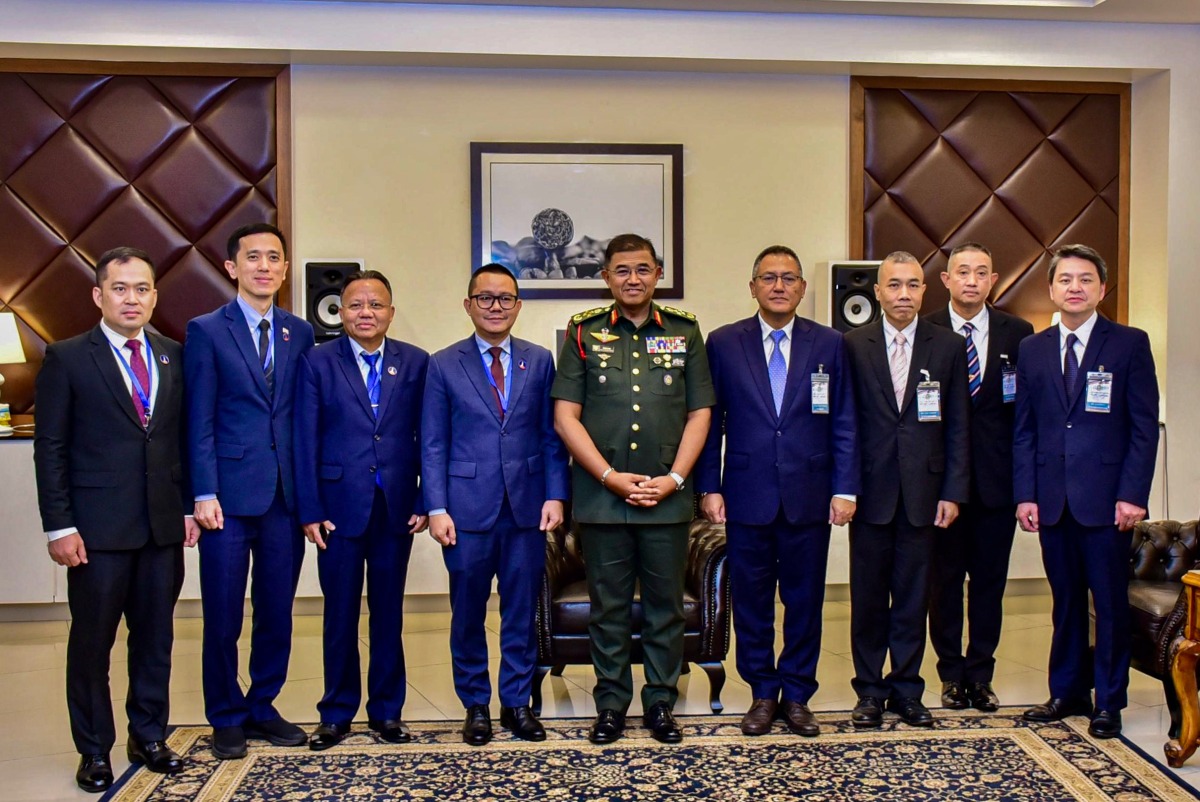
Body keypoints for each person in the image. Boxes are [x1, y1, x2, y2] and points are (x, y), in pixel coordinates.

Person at [33, 247, 199, 793]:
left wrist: (188, 506)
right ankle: (94, 749)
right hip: (96, 531)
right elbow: (50, 447)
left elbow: (180, 441)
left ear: (155, 295)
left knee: (154, 640)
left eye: (143, 288)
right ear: (99, 295)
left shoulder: (173, 354)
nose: (133, 298)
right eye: (122, 288)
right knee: (92, 645)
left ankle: (148, 736)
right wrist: (59, 526)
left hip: (160, 528)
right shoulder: (68, 357)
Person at [552, 234, 715, 745]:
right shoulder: (583, 332)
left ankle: (662, 702)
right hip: (602, 501)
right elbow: (565, 417)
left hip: (666, 502)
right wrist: (607, 476)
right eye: (621, 270)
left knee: (665, 606)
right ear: (605, 277)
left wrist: (674, 480)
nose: (633, 279)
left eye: (643, 269)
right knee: (610, 607)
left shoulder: (686, 332)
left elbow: (700, 413)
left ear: (658, 274)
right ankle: (611, 705)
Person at [696, 245, 859, 737]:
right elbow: (709, 421)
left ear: (803, 289)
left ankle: (798, 694)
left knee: (805, 601)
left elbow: (845, 420)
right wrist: (709, 486)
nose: (780, 286)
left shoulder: (830, 343)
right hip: (746, 494)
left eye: (789, 278)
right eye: (769, 278)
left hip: (810, 494)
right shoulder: (724, 343)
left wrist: (845, 487)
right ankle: (762, 693)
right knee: (751, 602)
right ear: (753, 287)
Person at [1015, 244, 1159, 739]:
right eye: (1065, 280)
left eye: (1085, 280)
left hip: (1106, 499)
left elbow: (1143, 427)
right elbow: (1025, 429)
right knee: (1066, 600)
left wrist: (1133, 494)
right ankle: (1067, 691)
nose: (1074, 287)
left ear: (1101, 288)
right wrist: (1026, 494)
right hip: (1051, 499)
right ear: (1051, 288)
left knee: (1110, 603)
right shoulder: (1033, 348)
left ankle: (1108, 700)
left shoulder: (1128, 344)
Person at [422, 263, 569, 745]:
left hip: (527, 507)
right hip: (465, 510)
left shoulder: (540, 359)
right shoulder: (443, 363)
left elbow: (551, 437)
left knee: (521, 611)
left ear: (518, 305)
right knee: (467, 612)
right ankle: (475, 705)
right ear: (468, 305)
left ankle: (516, 703)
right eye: (485, 298)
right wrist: (437, 507)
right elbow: (434, 443)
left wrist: (555, 494)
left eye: (505, 298)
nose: (495, 307)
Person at [184, 223, 316, 759]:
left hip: (284, 498)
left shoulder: (300, 332)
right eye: (253, 257)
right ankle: (226, 714)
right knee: (222, 612)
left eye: (274, 258)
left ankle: (263, 703)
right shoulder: (206, 330)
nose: (264, 266)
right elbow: (199, 420)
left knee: (276, 609)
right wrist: (203, 492)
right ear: (231, 267)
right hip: (227, 499)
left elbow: (304, 420)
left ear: (285, 269)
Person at [293, 270, 429, 749]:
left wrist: (424, 498)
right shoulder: (316, 362)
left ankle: (387, 712)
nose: (365, 313)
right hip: (337, 509)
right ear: (340, 312)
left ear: (391, 311)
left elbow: (426, 439)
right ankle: (336, 712)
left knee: (388, 613)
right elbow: (303, 439)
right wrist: (309, 509)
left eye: (375, 305)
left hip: (395, 509)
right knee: (340, 614)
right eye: (355, 305)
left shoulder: (415, 363)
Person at [843, 250, 970, 729]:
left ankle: (908, 690)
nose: (903, 294)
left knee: (915, 596)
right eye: (893, 285)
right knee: (869, 598)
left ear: (925, 290)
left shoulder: (948, 346)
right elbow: (845, 424)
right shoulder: (852, 344)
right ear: (877, 292)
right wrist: (845, 488)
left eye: (912, 285)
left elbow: (958, 425)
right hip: (870, 493)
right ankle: (869, 691)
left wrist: (953, 491)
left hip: (926, 491)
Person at [925, 243, 1034, 712]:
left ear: (994, 281)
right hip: (940, 485)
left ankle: (980, 674)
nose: (971, 280)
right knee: (943, 583)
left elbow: (1025, 416)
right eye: (962, 272)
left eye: (981, 273)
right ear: (946, 280)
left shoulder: (1020, 333)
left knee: (989, 584)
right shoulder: (925, 328)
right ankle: (950, 674)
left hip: (996, 483)